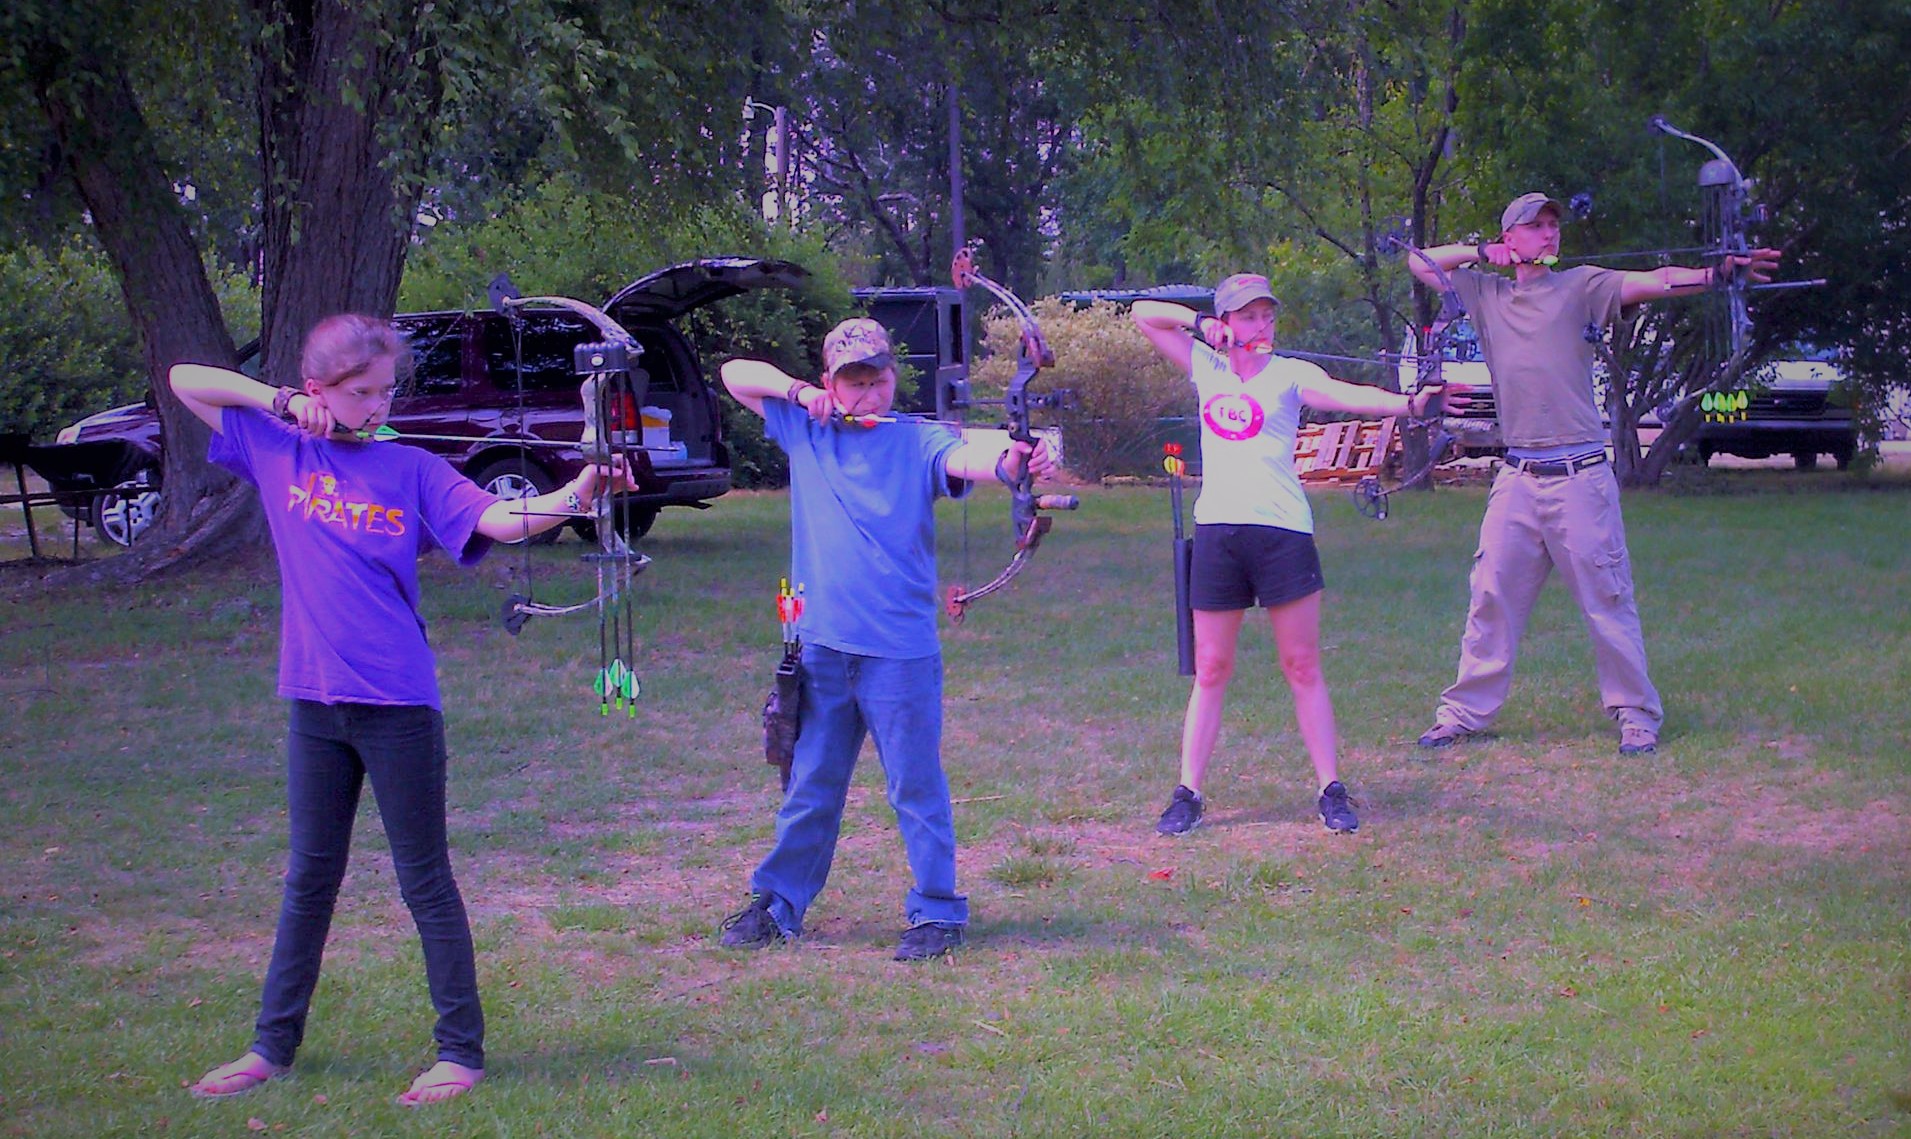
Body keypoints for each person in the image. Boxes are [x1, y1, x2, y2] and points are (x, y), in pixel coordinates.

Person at [170, 314, 632, 1105]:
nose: (377, 405)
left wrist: (577, 490)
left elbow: (497, 517)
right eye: (359, 393)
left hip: (397, 703)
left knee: (424, 877)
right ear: (318, 391)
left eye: (386, 390)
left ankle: (460, 1050)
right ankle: (269, 1047)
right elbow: (185, 379)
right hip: (314, 701)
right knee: (309, 877)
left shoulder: (410, 469)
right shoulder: (277, 447)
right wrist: (279, 401)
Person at [714, 317, 1055, 961]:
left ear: (894, 380)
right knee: (811, 782)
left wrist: (1017, 458)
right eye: (853, 383)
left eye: (877, 380)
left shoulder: (918, 440)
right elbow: (735, 374)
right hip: (821, 646)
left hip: (898, 654)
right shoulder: (806, 425)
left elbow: (970, 458)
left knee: (914, 785)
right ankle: (779, 903)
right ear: (829, 385)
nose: (867, 395)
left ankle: (936, 909)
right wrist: (796, 395)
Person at [1407, 192, 1780, 755]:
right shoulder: (1484, 293)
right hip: (1518, 476)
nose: (1550, 235)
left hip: (1580, 474)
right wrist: (1486, 252)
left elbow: (1654, 281)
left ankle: (1636, 715)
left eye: (1554, 225)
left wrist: (1717, 272)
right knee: (1490, 595)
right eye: (1536, 227)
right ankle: (1463, 712)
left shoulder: (1582, 286)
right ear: (1512, 238)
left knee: (1607, 598)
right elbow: (1419, 262)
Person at [1132, 275, 1448, 836]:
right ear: (1226, 321)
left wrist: (1409, 403)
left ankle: (1331, 788)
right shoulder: (1206, 365)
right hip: (1218, 533)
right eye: (1250, 317)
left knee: (1302, 665)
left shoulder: (1291, 375)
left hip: (1282, 533)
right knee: (1210, 668)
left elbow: (1348, 394)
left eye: (1268, 317)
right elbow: (1143, 314)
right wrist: (1201, 325)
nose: (1262, 327)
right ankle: (1188, 792)